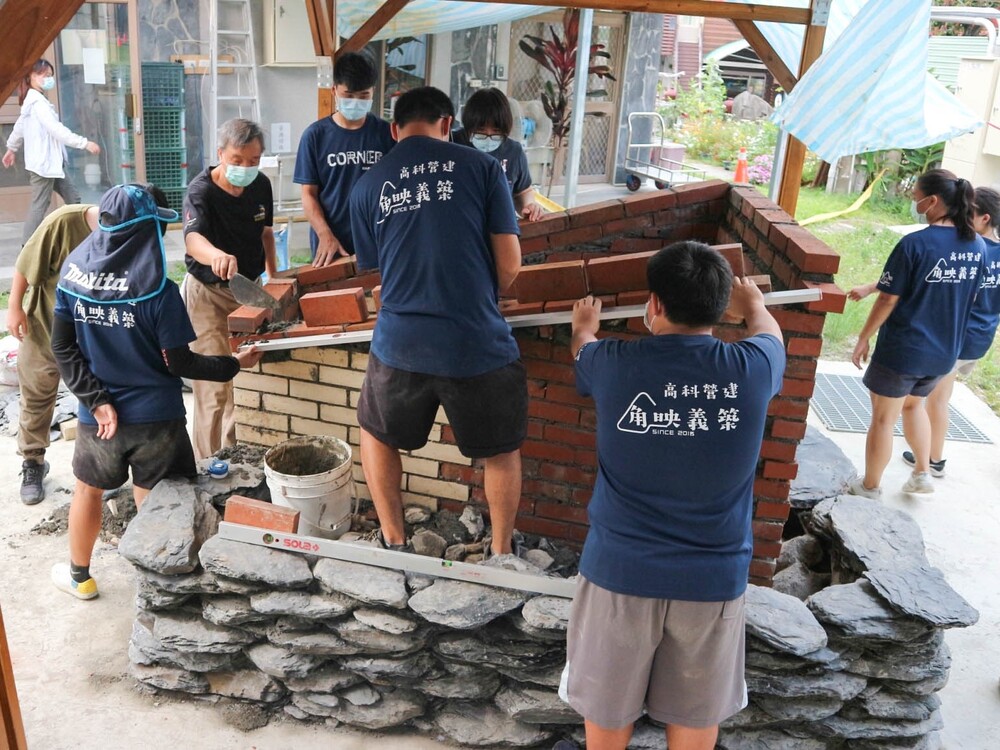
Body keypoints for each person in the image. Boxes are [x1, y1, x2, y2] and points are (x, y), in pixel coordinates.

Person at [560, 242, 785, 750]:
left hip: (619, 573)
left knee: (607, 709)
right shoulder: (752, 370)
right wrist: (754, 307)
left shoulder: (612, 363)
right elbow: (769, 334)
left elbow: (582, 346)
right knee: (696, 714)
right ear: (720, 306)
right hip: (712, 579)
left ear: (654, 304)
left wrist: (585, 323)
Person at [50, 183, 262, 600]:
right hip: (157, 422)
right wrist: (236, 363)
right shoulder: (160, 294)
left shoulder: (73, 279)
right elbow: (180, 363)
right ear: (145, 231)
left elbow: (63, 347)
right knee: (158, 500)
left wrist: (96, 399)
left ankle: (80, 578)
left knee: (87, 491)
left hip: (101, 423)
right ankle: (156, 589)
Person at [349, 86, 525, 557]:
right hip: (476, 340)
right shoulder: (485, 168)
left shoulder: (367, 186)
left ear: (394, 130)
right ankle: (502, 552)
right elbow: (509, 266)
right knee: (501, 450)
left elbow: (379, 269)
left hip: (400, 342)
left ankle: (395, 540)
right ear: (449, 125)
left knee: (376, 432)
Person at [848, 170, 985, 498]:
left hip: (904, 351)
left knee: (883, 418)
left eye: (916, 198)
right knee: (914, 407)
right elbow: (972, 297)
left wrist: (864, 336)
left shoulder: (915, 243)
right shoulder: (977, 246)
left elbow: (888, 297)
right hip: (943, 354)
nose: (915, 204)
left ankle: (869, 487)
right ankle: (922, 473)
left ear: (933, 201)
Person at [182, 118, 276, 460]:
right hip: (207, 293)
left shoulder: (261, 185)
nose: (245, 168)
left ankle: (232, 459)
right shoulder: (201, 191)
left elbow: (266, 235)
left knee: (241, 379)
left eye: (253, 161)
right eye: (237, 160)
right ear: (221, 153)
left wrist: (274, 278)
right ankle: (206, 465)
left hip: (246, 292)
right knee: (213, 385)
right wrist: (217, 255)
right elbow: (193, 240)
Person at [7, 201, 100, 504]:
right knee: (36, 395)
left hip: (92, 334)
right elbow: (25, 263)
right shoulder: (63, 222)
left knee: (100, 397)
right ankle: (33, 462)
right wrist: (15, 308)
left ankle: (103, 466)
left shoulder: (132, 234)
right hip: (44, 326)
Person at [294, 52, 394, 267]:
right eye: (349, 95)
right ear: (334, 91)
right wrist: (325, 234)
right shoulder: (315, 136)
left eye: (364, 96)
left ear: (373, 93)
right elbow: (308, 195)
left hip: (378, 244)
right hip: (332, 247)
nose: (356, 102)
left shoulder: (386, 134)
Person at [2, 59, 101, 245]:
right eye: (43, 75)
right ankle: (27, 246)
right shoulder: (37, 104)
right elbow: (56, 130)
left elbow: (18, 129)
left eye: (50, 76)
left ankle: (81, 238)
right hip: (44, 165)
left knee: (73, 198)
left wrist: (11, 148)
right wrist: (84, 143)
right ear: (30, 77)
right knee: (40, 206)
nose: (48, 79)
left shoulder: (33, 102)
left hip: (51, 164)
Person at [455, 87, 543, 221]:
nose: (488, 136)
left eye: (496, 131)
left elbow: (523, 191)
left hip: (498, 228)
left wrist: (529, 206)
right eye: (481, 130)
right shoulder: (451, 144)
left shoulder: (514, 151)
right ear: (468, 125)